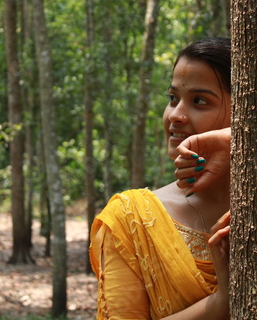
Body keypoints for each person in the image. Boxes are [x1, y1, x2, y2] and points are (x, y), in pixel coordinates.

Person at [89, 37, 232, 319]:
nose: (175, 115)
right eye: (172, 98)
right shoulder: (131, 219)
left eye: (199, 101)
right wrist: (219, 304)